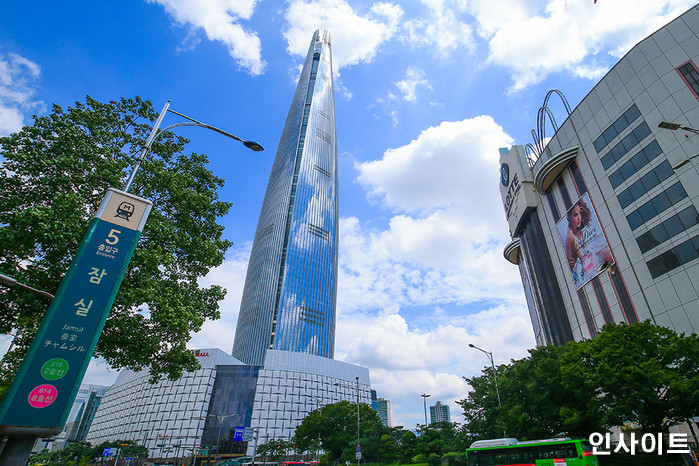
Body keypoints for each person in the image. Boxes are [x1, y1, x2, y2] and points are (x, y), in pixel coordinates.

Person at [565, 198, 612, 285]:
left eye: (580, 213)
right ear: (569, 217)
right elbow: (584, 260)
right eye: (575, 215)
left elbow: (586, 249)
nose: (579, 218)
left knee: (601, 245)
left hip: (586, 260)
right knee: (603, 251)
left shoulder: (579, 230)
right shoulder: (570, 236)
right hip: (581, 270)